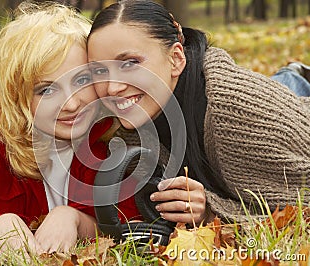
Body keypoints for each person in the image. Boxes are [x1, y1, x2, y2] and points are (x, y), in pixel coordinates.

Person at [85, 0, 310, 224]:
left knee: (289, 86)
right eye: (99, 71)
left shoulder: (235, 108)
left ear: (176, 59)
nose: (112, 88)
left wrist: (212, 213)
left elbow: (300, 206)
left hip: (288, 114)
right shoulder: (124, 129)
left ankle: (293, 77)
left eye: (129, 63)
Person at [0, 1, 131, 256]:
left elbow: (132, 222)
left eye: (82, 80)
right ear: (16, 95)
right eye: (46, 89)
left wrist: (74, 219)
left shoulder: (117, 121)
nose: (73, 103)